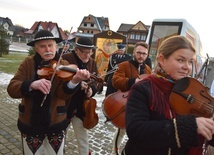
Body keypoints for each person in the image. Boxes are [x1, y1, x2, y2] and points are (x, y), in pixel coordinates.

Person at [122, 35, 214, 155]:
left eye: (190, 62)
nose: (187, 67)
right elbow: (136, 130)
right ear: (162, 60)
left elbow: (204, 131)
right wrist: (190, 126)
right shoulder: (142, 88)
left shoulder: (193, 89)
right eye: (180, 60)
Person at [7, 30, 90, 155]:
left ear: (55, 46)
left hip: (56, 122)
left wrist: (75, 80)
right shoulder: (28, 64)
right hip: (31, 123)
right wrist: (31, 85)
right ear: (36, 48)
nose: (48, 49)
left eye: (50, 45)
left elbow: (62, 94)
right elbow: (12, 89)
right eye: (42, 46)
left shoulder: (63, 64)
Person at [110, 42, 152, 155]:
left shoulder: (147, 69)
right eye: (139, 52)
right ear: (133, 52)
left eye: (144, 54)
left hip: (141, 106)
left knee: (137, 132)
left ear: (147, 55)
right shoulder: (124, 65)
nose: (141, 56)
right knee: (121, 131)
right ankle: (114, 153)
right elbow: (115, 81)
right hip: (126, 103)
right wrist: (133, 81)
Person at [62, 37, 101, 155]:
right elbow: (59, 82)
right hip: (66, 105)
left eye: (89, 52)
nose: (87, 55)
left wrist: (91, 90)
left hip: (82, 107)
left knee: (83, 139)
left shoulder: (92, 62)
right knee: (61, 137)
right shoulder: (66, 59)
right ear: (76, 50)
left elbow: (97, 81)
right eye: (84, 52)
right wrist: (77, 84)